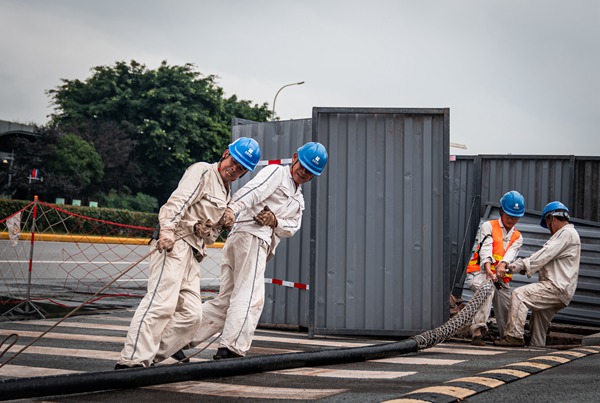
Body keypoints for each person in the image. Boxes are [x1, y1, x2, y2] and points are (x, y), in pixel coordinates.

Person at [115, 137, 261, 369]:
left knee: (192, 316)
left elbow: (204, 224)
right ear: (225, 154)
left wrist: (211, 226)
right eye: (234, 162)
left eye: (241, 168)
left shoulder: (226, 193)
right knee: (160, 304)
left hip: (194, 253)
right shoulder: (203, 171)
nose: (234, 169)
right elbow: (178, 202)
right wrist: (168, 230)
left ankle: (150, 356)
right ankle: (132, 361)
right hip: (175, 245)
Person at [183, 142, 328, 359]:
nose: (304, 173)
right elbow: (252, 191)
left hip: (253, 242)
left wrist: (275, 220)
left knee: (227, 300)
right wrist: (232, 209)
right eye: (303, 167)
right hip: (250, 237)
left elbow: (292, 227)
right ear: (295, 157)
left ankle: (178, 339)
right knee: (251, 296)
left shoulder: (298, 199)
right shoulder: (277, 173)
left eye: (310, 172)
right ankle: (231, 349)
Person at [495, 201, 581, 347]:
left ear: (552, 218)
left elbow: (541, 257)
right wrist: (522, 267)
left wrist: (511, 267)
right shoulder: (568, 234)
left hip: (555, 287)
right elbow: (542, 260)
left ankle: (513, 336)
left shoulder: (566, 233)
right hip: (562, 290)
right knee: (538, 324)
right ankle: (536, 348)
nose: (549, 229)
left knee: (519, 295)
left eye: (547, 224)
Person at [464, 190, 525, 346]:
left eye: (515, 216)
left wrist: (502, 265)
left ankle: (507, 336)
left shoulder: (517, 237)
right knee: (487, 289)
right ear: (501, 211)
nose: (511, 219)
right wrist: (488, 267)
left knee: (507, 304)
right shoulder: (488, 226)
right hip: (479, 273)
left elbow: (511, 254)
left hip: (499, 279)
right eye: (509, 215)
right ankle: (478, 331)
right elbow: (486, 247)